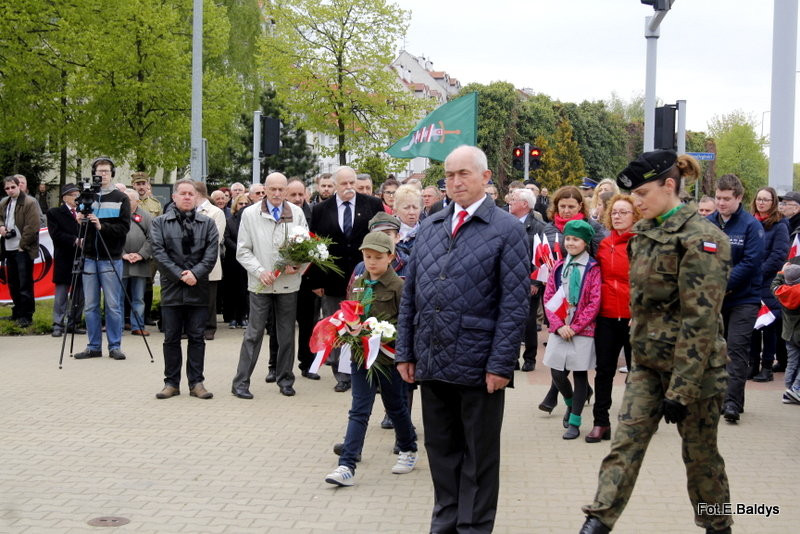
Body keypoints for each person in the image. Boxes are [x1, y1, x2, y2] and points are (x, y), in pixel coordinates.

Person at [579, 150, 732, 534]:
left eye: (643, 193)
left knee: (700, 459)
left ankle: (718, 526)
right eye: (634, 195)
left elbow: (701, 321)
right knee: (624, 447)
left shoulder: (702, 239)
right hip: (647, 366)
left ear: (669, 186)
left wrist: (681, 390)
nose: (637, 202)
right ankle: (596, 522)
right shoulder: (644, 234)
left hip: (695, 374)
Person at [396, 145, 530, 533]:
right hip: (432, 359)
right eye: (449, 175)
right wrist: (406, 351)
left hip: (479, 365)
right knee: (441, 452)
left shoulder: (506, 229)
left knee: (479, 458)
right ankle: (445, 524)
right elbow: (411, 295)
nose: (455, 182)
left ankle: (473, 528)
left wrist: (501, 364)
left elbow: (514, 304)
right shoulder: (432, 225)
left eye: (464, 174)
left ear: (485, 178)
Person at [324, 232, 418, 486]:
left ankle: (408, 448)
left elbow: (407, 323)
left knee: (396, 406)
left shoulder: (399, 286)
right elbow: (351, 311)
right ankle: (347, 465)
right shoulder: (359, 283)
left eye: (378, 257)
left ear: (391, 257)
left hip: (388, 360)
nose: (372, 262)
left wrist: (388, 338)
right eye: (367, 257)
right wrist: (346, 327)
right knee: (359, 409)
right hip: (361, 358)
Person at [232, 173, 308, 399]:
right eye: (272, 189)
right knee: (253, 333)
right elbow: (243, 251)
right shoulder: (250, 213)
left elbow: (307, 247)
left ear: (286, 191)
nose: (276, 193)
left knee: (286, 334)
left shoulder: (297, 213)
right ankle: (240, 383)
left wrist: (298, 264)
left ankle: (285, 380)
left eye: (280, 189)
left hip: (288, 284)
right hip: (260, 284)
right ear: (264, 189)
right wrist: (259, 271)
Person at [309, 166, 384, 392]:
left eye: (352, 182)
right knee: (336, 325)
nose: (349, 187)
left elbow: (380, 239)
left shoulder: (372, 204)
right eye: (344, 183)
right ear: (335, 185)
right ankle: (342, 375)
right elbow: (315, 245)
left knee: (365, 324)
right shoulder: (321, 209)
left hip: (365, 276)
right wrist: (316, 281)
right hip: (333, 279)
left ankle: (367, 370)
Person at [538, 185, 607, 413]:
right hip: (557, 295)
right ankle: (570, 395)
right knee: (559, 360)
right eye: (562, 206)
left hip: (584, 298)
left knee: (575, 362)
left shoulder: (592, 228)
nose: (566, 210)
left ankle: (563, 402)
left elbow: (599, 259)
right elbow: (543, 256)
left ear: (580, 206)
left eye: (571, 206)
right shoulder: (549, 228)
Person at [150, 179, 218, 400]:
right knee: (171, 338)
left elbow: (211, 254)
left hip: (198, 289)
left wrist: (195, 274)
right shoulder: (159, 223)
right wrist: (180, 274)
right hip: (172, 288)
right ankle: (171, 383)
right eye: (183, 193)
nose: (187, 197)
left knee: (197, 338)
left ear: (197, 197)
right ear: (174, 197)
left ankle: (196, 383)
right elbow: (158, 253)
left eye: (191, 194)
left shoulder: (208, 223)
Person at [707, 174, 765, 424]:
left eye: (727, 199)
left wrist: (723, 284)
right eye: (718, 198)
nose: (721, 203)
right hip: (714, 299)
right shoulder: (707, 223)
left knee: (736, 349)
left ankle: (732, 402)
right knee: (714, 350)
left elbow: (751, 263)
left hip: (744, 298)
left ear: (739, 198)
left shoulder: (751, 226)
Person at [588, 194, 641, 443]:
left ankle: (635, 421)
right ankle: (601, 422)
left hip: (634, 317)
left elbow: (650, 281)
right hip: (607, 316)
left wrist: (640, 310)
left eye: (623, 212)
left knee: (637, 373)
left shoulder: (642, 244)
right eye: (614, 212)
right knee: (604, 371)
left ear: (635, 216)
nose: (617, 216)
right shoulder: (603, 244)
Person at [542, 220, 601, 440]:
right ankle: (569, 401)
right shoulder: (559, 266)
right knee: (557, 372)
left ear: (585, 242)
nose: (570, 243)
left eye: (575, 239)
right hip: (560, 326)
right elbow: (549, 296)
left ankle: (575, 421)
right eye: (567, 239)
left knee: (579, 373)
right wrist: (559, 325)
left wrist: (575, 327)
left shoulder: (593, 268)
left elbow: (594, 302)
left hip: (582, 329)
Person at [73, 157, 131, 360]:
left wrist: (102, 226)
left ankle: (115, 346)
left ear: (112, 174)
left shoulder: (121, 198)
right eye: (99, 172)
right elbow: (79, 226)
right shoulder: (86, 196)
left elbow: (124, 228)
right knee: (90, 305)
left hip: (111, 257)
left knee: (113, 305)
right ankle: (93, 346)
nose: (102, 175)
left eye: (106, 171)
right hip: (89, 256)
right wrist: (80, 220)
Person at [748, 187, 790, 382]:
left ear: (773, 203)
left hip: (768, 281)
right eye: (759, 199)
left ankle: (767, 367)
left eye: (766, 200)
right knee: (753, 325)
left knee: (769, 326)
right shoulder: (751, 222)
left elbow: (779, 255)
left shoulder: (780, 225)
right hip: (751, 281)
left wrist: (759, 273)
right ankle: (752, 365)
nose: (761, 203)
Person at [508, 187, 546, 371]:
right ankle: (512, 359)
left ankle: (530, 358)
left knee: (529, 322)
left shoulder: (538, 226)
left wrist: (535, 281)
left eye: (513, 199)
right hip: (508, 280)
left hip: (528, 282)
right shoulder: (506, 222)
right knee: (510, 321)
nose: (509, 202)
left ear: (524, 204)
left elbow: (541, 256)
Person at [0, 175, 41, 327]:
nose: (10, 190)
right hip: (8, 247)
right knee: (13, 283)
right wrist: (1, 226)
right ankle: (17, 312)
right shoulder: (4, 202)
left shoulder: (30, 202)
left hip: (23, 249)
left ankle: (27, 315)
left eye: (13, 187)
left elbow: (33, 226)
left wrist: (22, 245)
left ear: (19, 186)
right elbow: (0, 217)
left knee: (25, 284)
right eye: (7, 188)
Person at [46, 184, 85, 336]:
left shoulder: (84, 213)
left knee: (79, 292)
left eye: (78, 195)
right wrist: (75, 240)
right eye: (74, 195)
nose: (77, 198)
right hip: (64, 257)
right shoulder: (55, 213)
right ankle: (58, 324)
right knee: (61, 293)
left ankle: (74, 322)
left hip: (81, 256)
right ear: (65, 198)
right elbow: (55, 234)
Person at [193, 181, 226, 341]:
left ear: (197, 193)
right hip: (189, 263)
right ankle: (192, 327)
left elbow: (215, 239)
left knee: (209, 298)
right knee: (192, 297)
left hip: (209, 262)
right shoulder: (188, 210)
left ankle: (209, 327)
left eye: (190, 193)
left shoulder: (215, 212)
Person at [121, 189, 153, 336]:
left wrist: (141, 254)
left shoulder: (146, 216)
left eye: (129, 199)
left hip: (140, 263)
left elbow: (152, 238)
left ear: (137, 201)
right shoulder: (117, 215)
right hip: (120, 262)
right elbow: (112, 236)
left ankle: (138, 325)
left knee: (138, 297)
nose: (126, 202)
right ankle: (117, 325)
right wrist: (123, 254)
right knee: (118, 297)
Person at [771, 263, 800, 403]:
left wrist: (781, 273)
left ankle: (789, 389)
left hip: (788, 334)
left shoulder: (781, 291)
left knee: (792, 362)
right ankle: (796, 389)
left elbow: (774, 286)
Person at [222, 194, 251, 329]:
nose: (243, 206)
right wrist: (239, 249)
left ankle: (243, 316)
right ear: (235, 205)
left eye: (246, 204)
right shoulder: (229, 221)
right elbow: (226, 238)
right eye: (241, 204)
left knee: (244, 290)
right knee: (232, 289)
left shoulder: (251, 221)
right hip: (232, 260)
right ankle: (233, 317)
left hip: (247, 261)